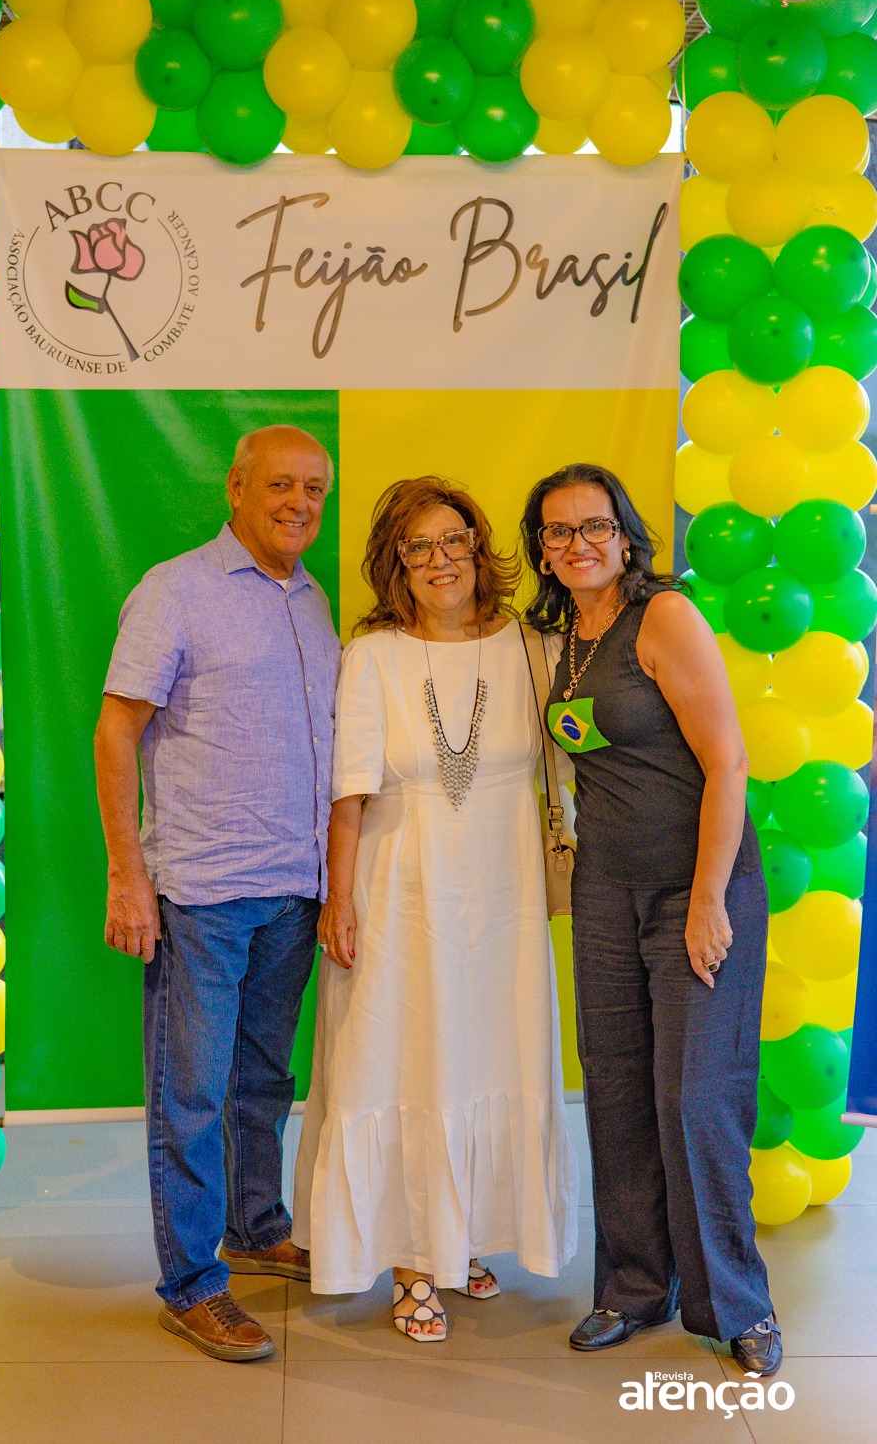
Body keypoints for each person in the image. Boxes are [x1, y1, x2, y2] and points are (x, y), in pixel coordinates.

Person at [292, 476, 578, 1343]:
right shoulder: (372, 654)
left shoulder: (531, 646)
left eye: (453, 540)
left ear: (479, 548)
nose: (439, 559)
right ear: (396, 564)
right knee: (402, 1062)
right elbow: (348, 791)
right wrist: (339, 900)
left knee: (490, 1059)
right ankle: (414, 1262)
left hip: (503, 898)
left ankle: (464, 1238)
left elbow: (570, 765)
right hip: (398, 893)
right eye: (417, 547)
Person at [519, 462, 781, 1377]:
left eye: (594, 526)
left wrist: (708, 899)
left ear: (626, 536)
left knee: (694, 1097)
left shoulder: (663, 617)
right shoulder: (560, 638)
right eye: (558, 531)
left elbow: (728, 763)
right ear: (542, 551)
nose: (577, 544)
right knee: (619, 1091)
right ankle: (632, 1289)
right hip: (604, 893)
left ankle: (737, 1305)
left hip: (693, 889)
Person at [94, 425, 341, 1363]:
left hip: (294, 891)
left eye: (314, 489)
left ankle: (254, 1227)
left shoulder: (312, 600)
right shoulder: (175, 590)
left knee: (263, 1082)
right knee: (190, 1095)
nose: (299, 503)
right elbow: (116, 732)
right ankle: (193, 1285)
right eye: (281, 485)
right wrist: (128, 874)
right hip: (201, 891)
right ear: (236, 488)